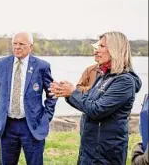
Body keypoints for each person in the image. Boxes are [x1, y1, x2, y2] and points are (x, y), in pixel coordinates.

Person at [49, 31, 142, 164]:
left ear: (115, 49)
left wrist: (73, 93)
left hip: (105, 154)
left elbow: (96, 110)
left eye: (102, 46)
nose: (96, 51)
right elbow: (88, 101)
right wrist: (67, 92)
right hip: (89, 150)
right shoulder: (103, 75)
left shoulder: (124, 82)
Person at [0, 32, 57, 165]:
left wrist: (46, 117)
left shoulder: (41, 66)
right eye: (15, 43)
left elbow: (52, 93)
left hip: (31, 126)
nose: (17, 47)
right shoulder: (1, 64)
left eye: (21, 44)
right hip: (7, 125)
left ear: (31, 47)